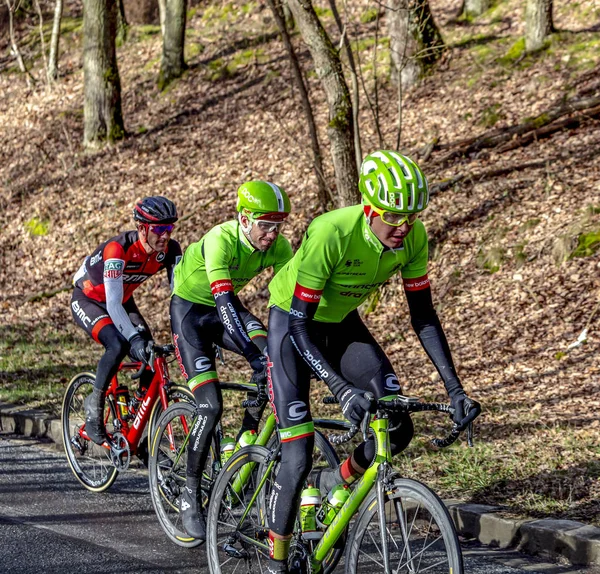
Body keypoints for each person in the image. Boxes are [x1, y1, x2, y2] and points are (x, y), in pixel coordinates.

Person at [264, 151, 480, 573]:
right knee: (297, 451)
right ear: (369, 208)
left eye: (412, 216)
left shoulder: (413, 238)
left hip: (343, 324)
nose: (404, 227)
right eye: (395, 216)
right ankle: (276, 560)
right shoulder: (332, 232)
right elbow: (300, 326)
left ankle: (334, 481)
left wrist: (455, 390)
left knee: (397, 423)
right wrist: (340, 389)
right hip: (293, 326)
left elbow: (424, 316)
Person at [170, 180, 293, 540]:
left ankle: (244, 442)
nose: (272, 235)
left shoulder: (279, 246)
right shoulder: (220, 240)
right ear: (243, 219)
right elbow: (224, 307)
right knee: (209, 405)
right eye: (264, 225)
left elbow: (290, 302)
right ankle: (190, 495)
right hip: (192, 315)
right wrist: (253, 357)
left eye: (277, 226)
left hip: (228, 310)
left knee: (273, 358)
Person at [71, 196, 182, 446]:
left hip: (122, 299)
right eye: (159, 229)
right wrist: (132, 338)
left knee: (151, 352)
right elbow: (111, 305)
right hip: (90, 300)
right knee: (119, 345)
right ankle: (94, 409)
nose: (165, 236)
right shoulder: (117, 250)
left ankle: (137, 418)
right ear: (142, 228)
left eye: (169, 229)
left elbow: (180, 295)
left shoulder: (171, 250)